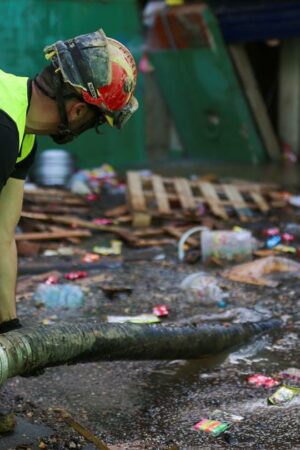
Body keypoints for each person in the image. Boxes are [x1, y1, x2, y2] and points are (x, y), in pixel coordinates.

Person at [0, 28, 138, 333]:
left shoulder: (20, 134)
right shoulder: (5, 130)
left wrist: (8, 329)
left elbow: (3, 235)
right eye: (95, 121)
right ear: (77, 111)